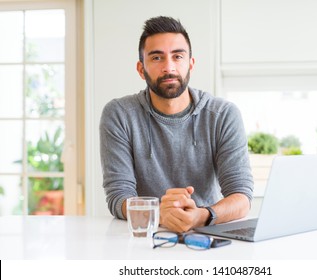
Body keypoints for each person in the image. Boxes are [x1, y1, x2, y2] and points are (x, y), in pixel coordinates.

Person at [100, 16, 253, 233]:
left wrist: (202, 215)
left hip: (206, 234)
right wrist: (161, 213)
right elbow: (118, 197)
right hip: (146, 237)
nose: (169, 67)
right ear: (141, 69)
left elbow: (242, 196)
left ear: (191, 64)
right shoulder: (119, 114)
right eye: (156, 58)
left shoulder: (223, 115)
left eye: (178, 56)